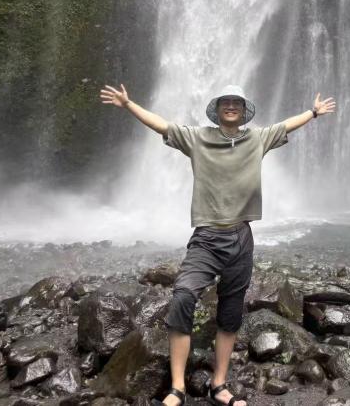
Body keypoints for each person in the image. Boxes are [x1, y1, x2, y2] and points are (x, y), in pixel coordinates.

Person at [99, 83, 336, 406]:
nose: (230, 107)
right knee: (183, 296)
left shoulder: (257, 138)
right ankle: (178, 388)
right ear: (217, 109)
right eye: (225, 102)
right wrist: (128, 104)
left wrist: (312, 113)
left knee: (230, 312)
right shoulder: (197, 138)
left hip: (241, 236)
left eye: (236, 103)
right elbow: (161, 125)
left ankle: (219, 384)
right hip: (207, 238)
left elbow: (285, 125)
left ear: (242, 110)